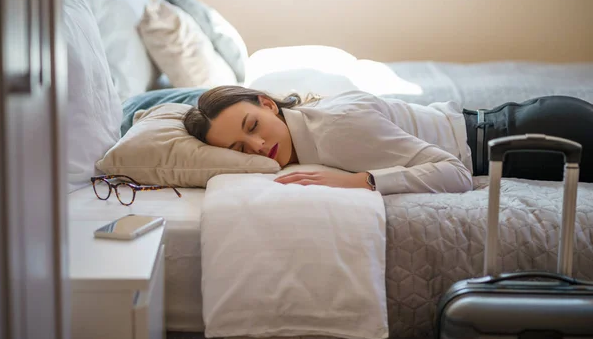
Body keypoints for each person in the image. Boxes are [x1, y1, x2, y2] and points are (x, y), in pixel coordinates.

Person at [183, 86, 593, 195]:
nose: (256, 148)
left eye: (252, 127)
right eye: (238, 149)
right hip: (514, 124)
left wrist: (364, 181)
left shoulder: (334, 130)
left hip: (533, 141)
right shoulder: (309, 126)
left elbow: (455, 174)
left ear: (267, 104)